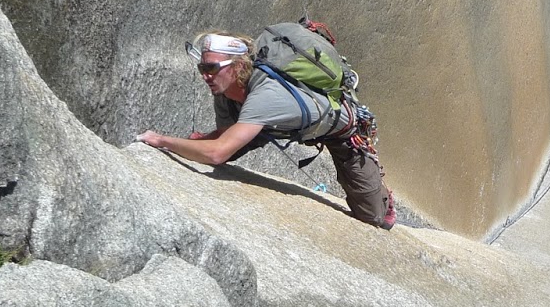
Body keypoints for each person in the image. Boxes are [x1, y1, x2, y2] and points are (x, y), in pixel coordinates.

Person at [136, 32, 396, 228]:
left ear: (237, 67)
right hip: (273, 125)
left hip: (340, 131)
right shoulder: (226, 91)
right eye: (202, 67)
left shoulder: (265, 96)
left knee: (373, 217)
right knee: (215, 151)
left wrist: (162, 141)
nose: (205, 76)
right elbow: (225, 138)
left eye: (211, 68)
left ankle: (381, 192)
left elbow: (216, 152)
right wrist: (199, 142)